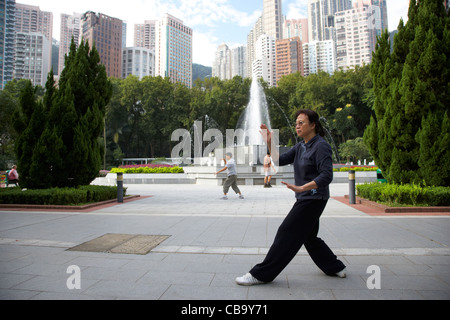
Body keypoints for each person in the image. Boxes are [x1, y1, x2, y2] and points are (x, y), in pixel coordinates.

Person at [236, 109, 346, 286]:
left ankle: (261, 274)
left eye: (301, 122)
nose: (297, 125)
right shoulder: (300, 146)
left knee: (286, 232)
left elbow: (327, 176)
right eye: (296, 123)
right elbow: (279, 160)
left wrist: (303, 187)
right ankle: (335, 267)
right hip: (304, 198)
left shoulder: (321, 146)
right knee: (309, 238)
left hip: (314, 198)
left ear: (313, 125)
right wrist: (270, 142)